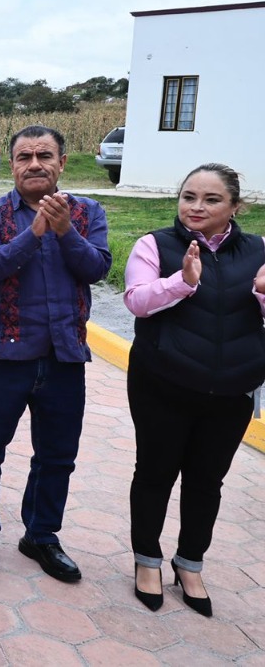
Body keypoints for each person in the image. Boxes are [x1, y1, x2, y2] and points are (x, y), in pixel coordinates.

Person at [0, 125, 110, 582]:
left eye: (45, 155)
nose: (35, 164)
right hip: (5, 354)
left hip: (65, 355)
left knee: (57, 455)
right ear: (12, 165)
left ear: (62, 163)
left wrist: (64, 231)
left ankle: (41, 534)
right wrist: (35, 233)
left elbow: (97, 268)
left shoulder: (87, 213)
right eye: (24, 156)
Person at [123, 163, 265, 617]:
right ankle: (147, 560)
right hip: (163, 382)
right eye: (189, 197)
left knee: (207, 482)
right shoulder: (155, 244)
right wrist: (182, 282)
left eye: (211, 200)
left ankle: (190, 563)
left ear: (236, 206)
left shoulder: (259, 251)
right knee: (155, 473)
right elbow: (137, 302)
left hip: (231, 391)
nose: (196, 207)